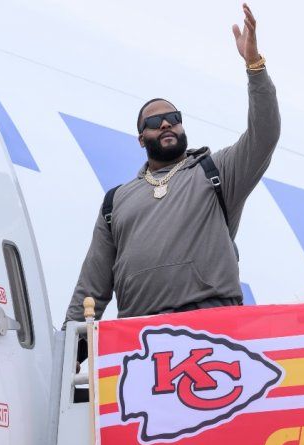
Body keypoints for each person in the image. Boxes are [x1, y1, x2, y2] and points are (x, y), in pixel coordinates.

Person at [65, 3, 280, 323]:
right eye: (154, 122)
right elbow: (91, 287)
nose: (165, 124)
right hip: (139, 336)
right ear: (141, 139)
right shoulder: (116, 201)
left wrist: (254, 66)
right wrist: (70, 351)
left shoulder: (214, 171)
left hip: (211, 325)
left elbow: (264, 134)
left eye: (172, 118)